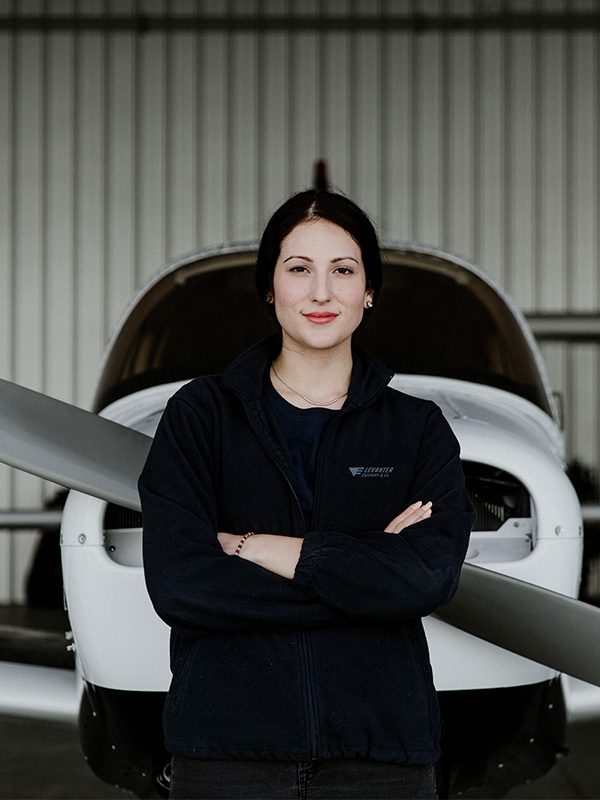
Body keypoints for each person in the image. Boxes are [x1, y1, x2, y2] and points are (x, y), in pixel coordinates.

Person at [139, 189, 476, 799]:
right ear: (271, 287)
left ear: (368, 289)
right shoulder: (199, 415)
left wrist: (260, 548)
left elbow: (427, 580)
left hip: (382, 760)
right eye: (299, 270)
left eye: (342, 271)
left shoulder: (418, 428)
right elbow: (181, 586)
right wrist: (370, 573)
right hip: (228, 756)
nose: (321, 292)